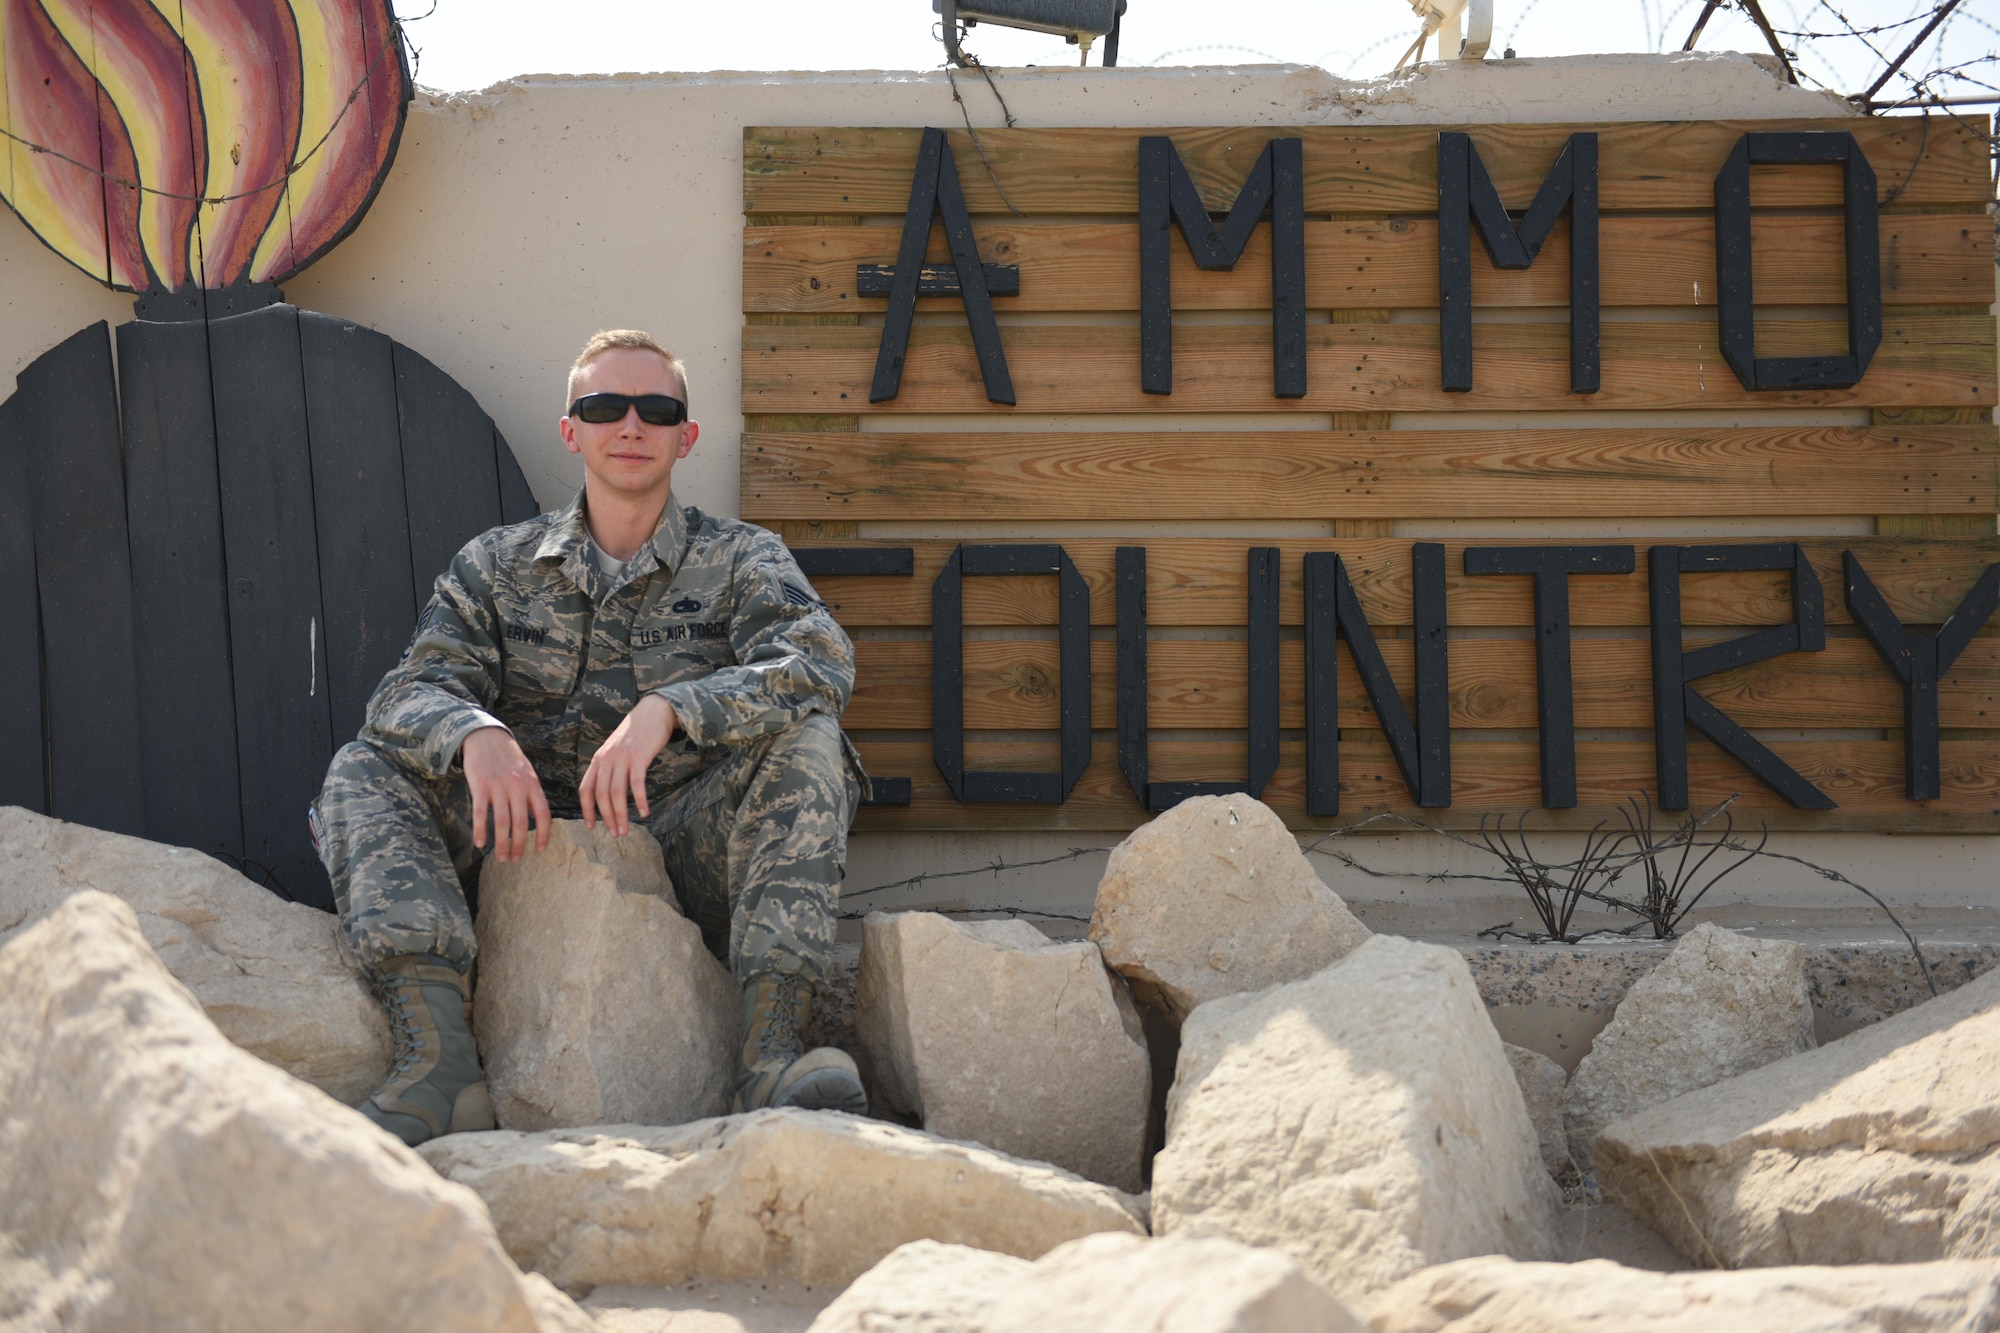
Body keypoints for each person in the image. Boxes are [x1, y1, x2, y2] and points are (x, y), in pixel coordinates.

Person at [310, 329, 868, 1146]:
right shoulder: (497, 564)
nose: (631, 425)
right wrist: (474, 730)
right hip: (515, 832)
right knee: (364, 768)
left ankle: (771, 1055)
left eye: (657, 408)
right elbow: (406, 692)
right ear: (571, 429)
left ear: (688, 434)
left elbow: (819, 661)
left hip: (682, 839)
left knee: (811, 742)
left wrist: (675, 707)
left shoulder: (741, 557)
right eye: (605, 406)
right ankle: (437, 1063)